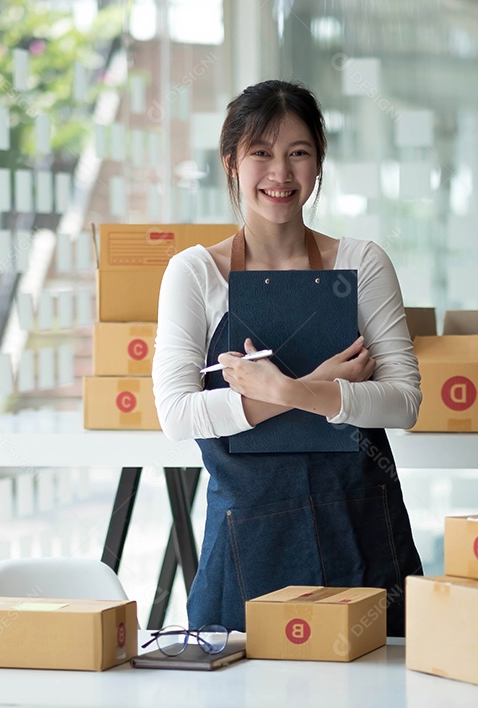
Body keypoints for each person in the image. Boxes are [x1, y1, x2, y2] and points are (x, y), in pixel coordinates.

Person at [152, 79, 423, 636]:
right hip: (248, 542)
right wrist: (310, 389)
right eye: (261, 153)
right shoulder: (196, 273)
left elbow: (403, 402)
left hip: (361, 531)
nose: (281, 173)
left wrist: (291, 390)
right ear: (231, 162)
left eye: (298, 153)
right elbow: (177, 415)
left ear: (318, 165)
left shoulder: (362, 264)